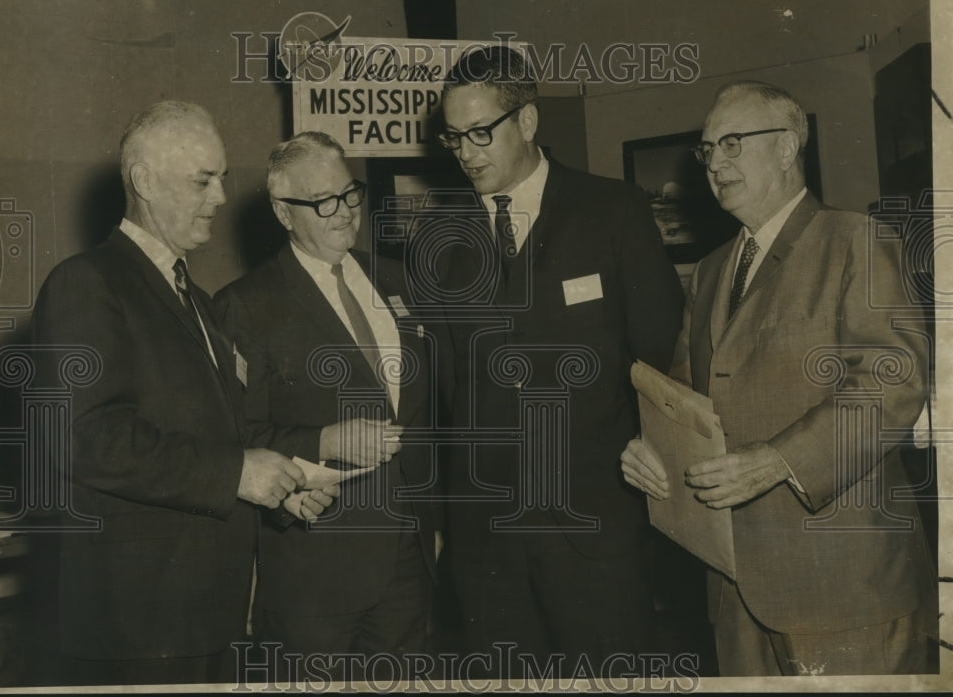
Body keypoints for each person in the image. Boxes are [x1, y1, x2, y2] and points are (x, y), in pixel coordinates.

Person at [620, 80, 937, 676]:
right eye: (708, 150)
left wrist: (781, 459)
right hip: (734, 582)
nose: (715, 163)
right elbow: (685, 395)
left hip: (845, 583)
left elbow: (895, 382)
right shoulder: (713, 270)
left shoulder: (854, 240)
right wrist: (650, 448)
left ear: (788, 148)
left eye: (733, 144)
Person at [31, 100, 332, 686]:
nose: (220, 196)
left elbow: (214, 434)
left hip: (205, 614)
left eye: (220, 177)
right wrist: (235, 475)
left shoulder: (193, 298)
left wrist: (275, 485)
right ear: (144, 180)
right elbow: (81, 436)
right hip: (140, 624)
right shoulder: (87, 283)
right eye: (203, 180)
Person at [429, 45, 685, 674]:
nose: (466, 152)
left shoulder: (614, 211)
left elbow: (665, 357)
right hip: (487, 546)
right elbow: (442, 397)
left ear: (529, 122)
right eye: (453, 138)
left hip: (596, 532)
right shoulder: (442, 242)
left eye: (480, 132)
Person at [213, 132, 437, 679]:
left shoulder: (397, 277)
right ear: (283, 213)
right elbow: (233, 438)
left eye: (350, 193)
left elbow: (426, 409)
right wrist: (323, 441)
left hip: (409, 554)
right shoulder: (245, 305)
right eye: (322, 202)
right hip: (314, 567)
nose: (344, 214)